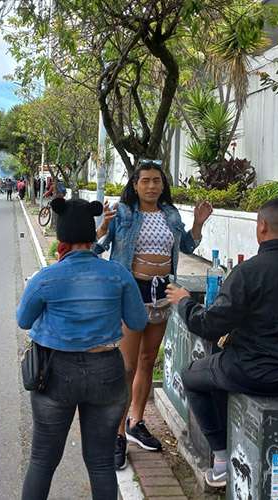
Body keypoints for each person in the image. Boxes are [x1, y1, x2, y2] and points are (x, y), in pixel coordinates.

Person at [165, 197, 278, 487]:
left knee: (193, 375)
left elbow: (209, 325)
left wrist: (185, 302)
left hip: (251, 373)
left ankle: (221, 459)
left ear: (261, 228)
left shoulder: (248, 272)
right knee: (218, 371)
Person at [17, 198, 147, 500]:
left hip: (54, 373)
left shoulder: (46, 278)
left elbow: (24, 320)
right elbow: (138, 321)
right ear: (93, 235)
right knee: (101, 462)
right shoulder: (118, 274)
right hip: (107, 371)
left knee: (42, 460)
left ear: (61, 237)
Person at [93, 158, 213, 470]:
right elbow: (96, 248)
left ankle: (136, 421)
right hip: (130, 293)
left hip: (161, 295)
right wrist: (104, 226)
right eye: (144, 180)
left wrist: (198, 222)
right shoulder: (123, 213)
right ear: (134, 185)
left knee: (148, 360)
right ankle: (117, 433)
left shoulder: (171, 214)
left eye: (156, 181)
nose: (150, 186)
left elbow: (186, 245)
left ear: (163, 185)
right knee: (127, 366)